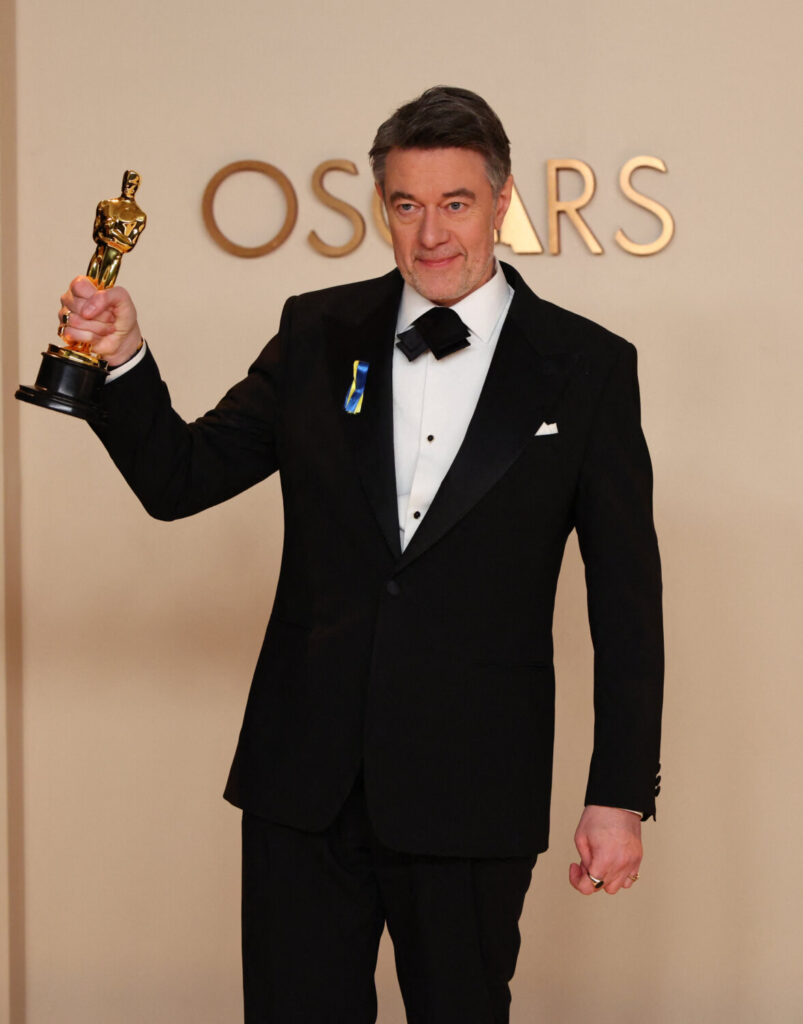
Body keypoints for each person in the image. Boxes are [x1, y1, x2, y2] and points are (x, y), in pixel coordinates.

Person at [58, 86, 663, 1024]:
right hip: (303, 786)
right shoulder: (317, 331)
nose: (431, 234)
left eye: (455, 203)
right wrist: (122, 360)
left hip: (470, 789)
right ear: (381, 206)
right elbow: (180, 480)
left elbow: (627, 607)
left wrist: (617, 795)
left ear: (501, 203)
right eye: (407, 205)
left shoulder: (586, 366)